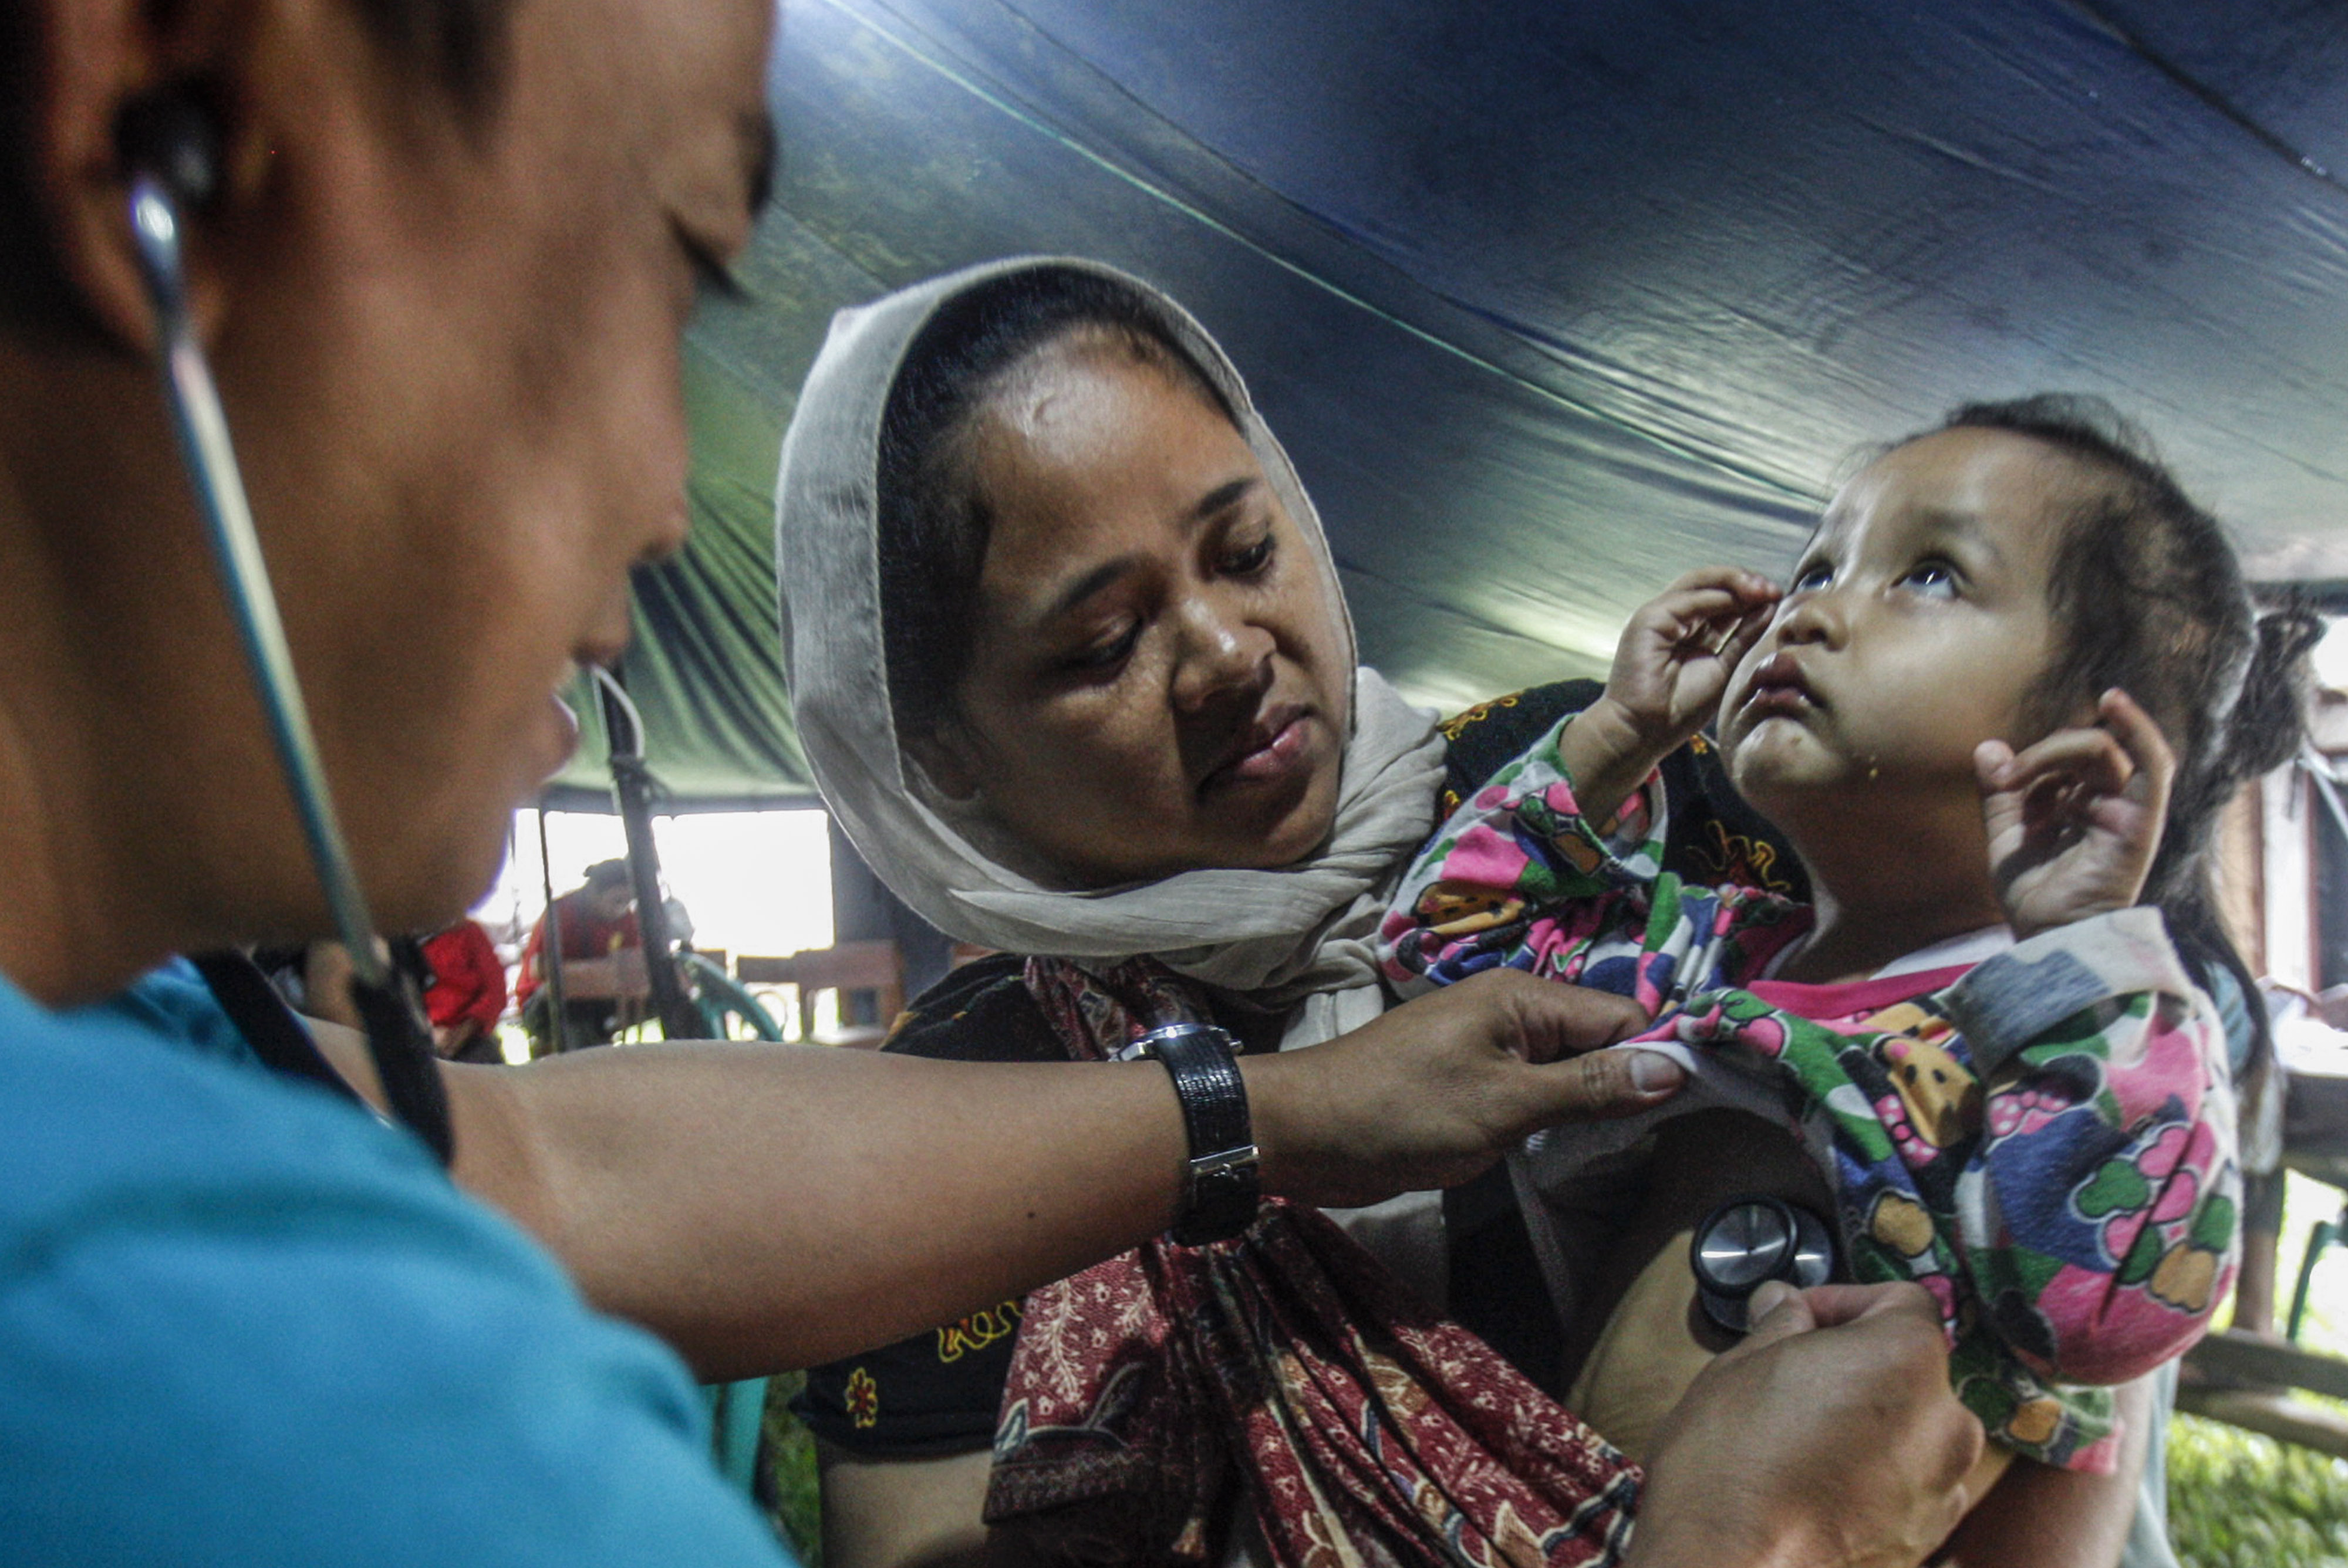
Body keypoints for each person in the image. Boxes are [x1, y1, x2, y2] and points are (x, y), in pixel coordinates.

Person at [0, 6, 1829, 1565]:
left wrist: (1261, 1116)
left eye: (1240, 544)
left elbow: (532, 1159)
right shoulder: (223, 1376)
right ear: (154, 136)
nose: (659, 505)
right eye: (666, 262)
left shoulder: (171, 1065)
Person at [776, 259, 2018, 1568]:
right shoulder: (956, 1120)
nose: (1225, 651)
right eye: (1101, 645)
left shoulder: (1604, 790)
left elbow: (2017, 1103)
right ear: (939, 752)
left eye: (1246, 551)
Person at [1378, 399, 2316, 1525]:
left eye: (1928, 576)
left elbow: (2109, 1311)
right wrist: (1617, 734)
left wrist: (2077, 952)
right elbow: (1442, 952)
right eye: (1817, 565)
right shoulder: (1705, 947)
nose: (1811, 611)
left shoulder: (2077, 1034)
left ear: (2087, 742)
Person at [517, 859, 642, 1050]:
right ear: (593, 893)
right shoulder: (561, 913)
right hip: (544, 1004)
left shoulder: (626, 919)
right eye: (617, 901)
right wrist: (589, 975)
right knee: (574, 1008)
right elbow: (538, 969)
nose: (622, 908)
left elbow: (633, 962)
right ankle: (588, 1068)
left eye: (628, 902)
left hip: (600, 998)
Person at [423, 915, 508, 1063]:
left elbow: (496, 990)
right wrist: (428, 1031)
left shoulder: (467, 931)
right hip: (423, 1038)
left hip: (471, 1037)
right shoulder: (396, 943)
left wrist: (464, 1030)